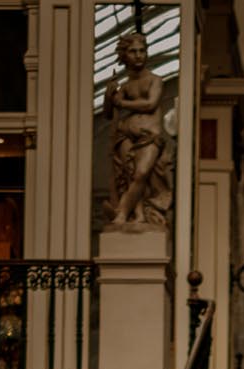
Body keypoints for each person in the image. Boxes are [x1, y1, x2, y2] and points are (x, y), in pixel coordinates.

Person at [103, 29, 171, 229]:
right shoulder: (124, 87)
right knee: (130, 175)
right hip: (125, 135)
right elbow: (108, 113)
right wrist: (109, 95)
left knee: (141, 173)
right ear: (125, 56)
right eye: (133, 51)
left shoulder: (155, 80)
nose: (139, 55)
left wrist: (121, 103)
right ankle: (138, 216)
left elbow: (150, 104)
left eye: (142, 50)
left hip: (150, 136)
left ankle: (122, 212)